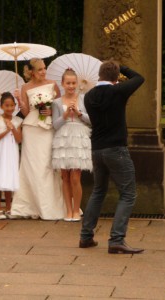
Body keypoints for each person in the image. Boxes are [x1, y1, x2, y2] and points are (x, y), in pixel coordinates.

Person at [79, 60, 145, 254]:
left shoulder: (89, 96)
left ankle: (86, 236)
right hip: (116, 149)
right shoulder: (118, 91)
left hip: (97, 149)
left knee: (98, 191)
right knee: (128, 193)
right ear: (116, 78)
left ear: (99, 75)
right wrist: (122, 67)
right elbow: (139, 78)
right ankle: (117, 239)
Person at [10, 58, 65, 220]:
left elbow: (60, 106)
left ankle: (50, 207)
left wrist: (51, 112)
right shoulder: (25, 87)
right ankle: (28, 207)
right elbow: (27, 113)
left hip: (47, 129)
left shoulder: (53, 84)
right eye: (40, 69)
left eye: (44, 68)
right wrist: (20, 101)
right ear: (31, 72)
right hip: (31, 129)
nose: (43, 72)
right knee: (31, 166)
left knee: (46, 165)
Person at [52, 68, 92, 222]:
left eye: (73, 83)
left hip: (79, 137)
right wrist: (65, 115)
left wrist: (79, 113)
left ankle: (76, 210)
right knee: (65, 176)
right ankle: (68, 210)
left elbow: (92, 120)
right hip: (63, 138)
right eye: (68, 83)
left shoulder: (83, 99)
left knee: (76, 177)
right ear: (62, 84)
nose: (71, 86)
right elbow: (55, 125)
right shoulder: (56, 102)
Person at [0, 92, 22, 220]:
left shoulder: (18, 120)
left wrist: (13, 128)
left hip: (11, 151)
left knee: (9, 176)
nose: (9, 108)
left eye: (11, 105)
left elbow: (19, 139)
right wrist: (6, 130)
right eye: (6, 105)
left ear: (15, 106)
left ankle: (9, 208)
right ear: (1, 106)